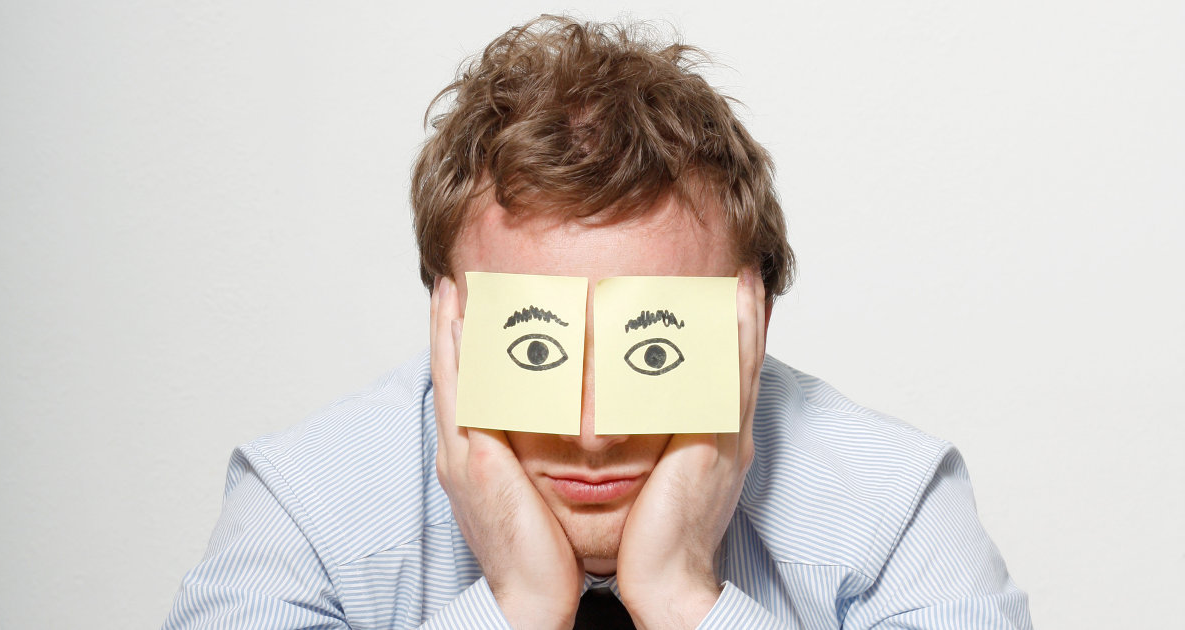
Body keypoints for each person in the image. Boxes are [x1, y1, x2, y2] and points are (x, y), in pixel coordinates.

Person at [164, 15, 1031, 629]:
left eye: (652, 349)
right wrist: (516, 612)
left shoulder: (889, 506)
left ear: (750, 322)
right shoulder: (311, 509)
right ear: (451, 323)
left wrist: (689, 601)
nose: (592, 434)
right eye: (537, 347)